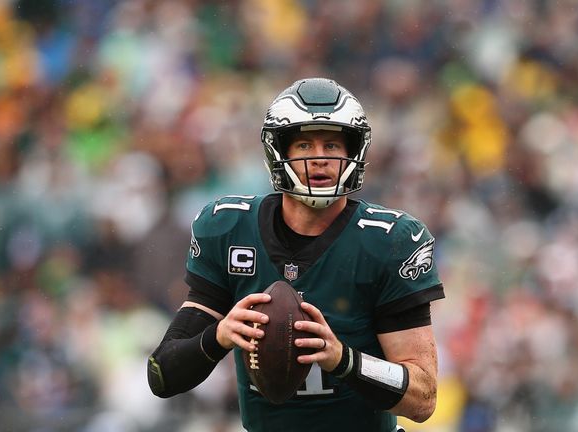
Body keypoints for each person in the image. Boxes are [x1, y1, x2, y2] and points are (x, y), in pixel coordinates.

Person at [147, 78, 445, 432]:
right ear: (280, 151)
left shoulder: (389, 242)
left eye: (332, 145)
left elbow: (423, 397)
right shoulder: (228, 228)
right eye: (305, 144)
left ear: (353, 152)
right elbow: (162, 375)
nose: (320, 159)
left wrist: (343, 360)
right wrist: (220, 335)